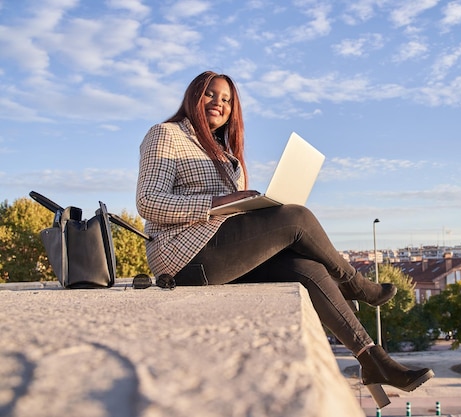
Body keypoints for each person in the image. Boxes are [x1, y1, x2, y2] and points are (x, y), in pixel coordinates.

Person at [136, 70, 434, 396]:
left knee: (306, 268)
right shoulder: (166, 135)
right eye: (210, 94)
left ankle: (373, 360)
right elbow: (148, 202)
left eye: (226, 100)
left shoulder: (226, 156)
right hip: (182, 255)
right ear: (194, 95)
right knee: (296, 217)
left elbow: (226, 219)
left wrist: (249, 206)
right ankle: (354, 283)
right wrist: (219, 200)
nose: (218, 104)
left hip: (219, 252)